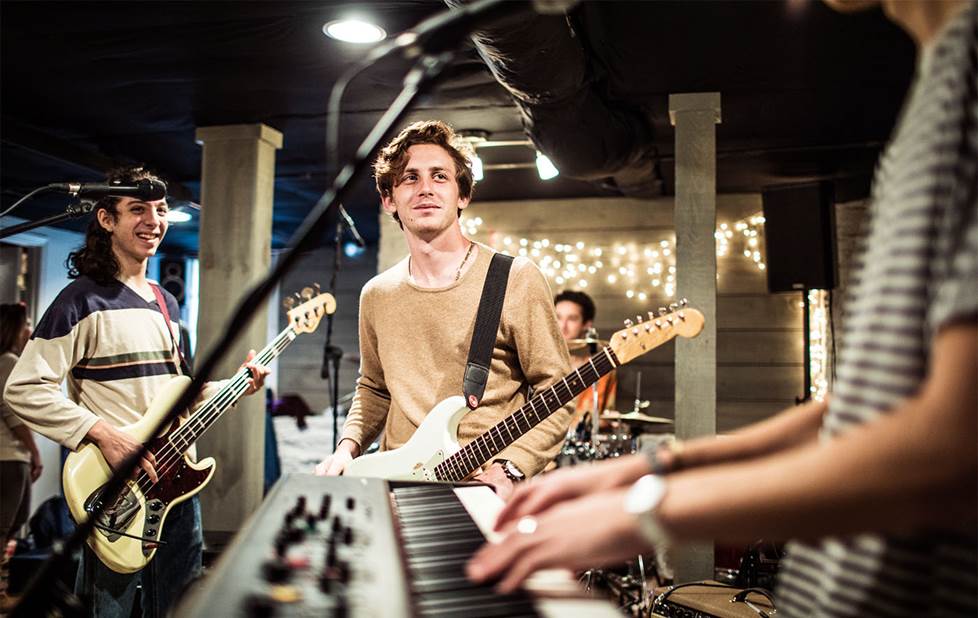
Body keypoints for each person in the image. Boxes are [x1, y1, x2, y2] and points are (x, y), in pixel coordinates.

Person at [467, 1, 978, 615]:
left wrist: (651, 510)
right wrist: (655, 468)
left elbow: (957, 447)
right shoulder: (938, 80)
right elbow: (868, 409)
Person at [3, 166, 269, 618]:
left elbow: (178, 392)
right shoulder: (81, 300)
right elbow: (24, 387)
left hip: (177, 486)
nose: (154, 220)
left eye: (161, 210)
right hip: (118, 491)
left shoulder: (166, 302)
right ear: (107, 220)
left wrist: (236, 385)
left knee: (183, 604)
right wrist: (104, 434)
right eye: (138, 209)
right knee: (113, 608)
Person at [314, 120, 573, 497]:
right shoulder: (377, 294)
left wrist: (511, 469)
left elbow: (557, 391)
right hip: (397, 484)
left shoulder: (514, 278)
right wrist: (346, 448)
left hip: (483, 487)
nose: (425, 190)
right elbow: (374, 387)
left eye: (439, 177)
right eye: (409, 179)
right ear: (389, 199)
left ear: (462, 195)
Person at [0, 303, 42, 610]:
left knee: (14, 522)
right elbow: (13, 415)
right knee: (4, 525)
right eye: (25, 324)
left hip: (12, 456)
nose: (29, 330)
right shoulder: (8, 361)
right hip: (9, 456)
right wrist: (34, 450)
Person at [554, 290, 617, 423]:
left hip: (581, 440)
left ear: (586, 325)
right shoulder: (538, 363)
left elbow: (606, 417)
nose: (562, 326)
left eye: (572, 319)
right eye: (557, 317)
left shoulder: (601, 369)